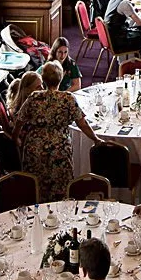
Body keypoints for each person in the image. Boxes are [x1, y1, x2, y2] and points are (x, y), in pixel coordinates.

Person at [16, 60, 99, 202]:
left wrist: (15, 138)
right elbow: (83, 124)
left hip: (35, 149)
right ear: (61, 79)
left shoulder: (34, 97)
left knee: (37, 189)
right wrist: (96, 139)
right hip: (59, 150)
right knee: (61, 190)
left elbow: (19, 121)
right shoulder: (67, 98)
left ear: (44, 79)